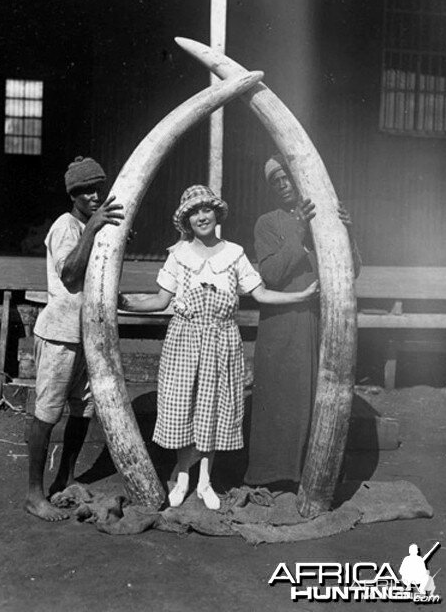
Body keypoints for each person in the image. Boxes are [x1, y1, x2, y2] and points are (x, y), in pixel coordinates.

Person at [119, 185, 318, 511]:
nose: (202, 216)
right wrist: (122, 301)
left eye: (207, 209)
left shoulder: (234, 254)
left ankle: (205, 481)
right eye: (194, 212)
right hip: (184, 340)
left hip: (222, 341)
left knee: (213, 410)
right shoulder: (178, 255)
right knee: (184, 409)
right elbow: (158, 300)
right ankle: (183, 475)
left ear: (216, 213)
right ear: (186, 219)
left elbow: (262, 294)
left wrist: (300, 296)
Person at [244, 153, 361, 489]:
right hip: (284, 322)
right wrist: (297, 229)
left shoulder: (324, 219)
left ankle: (312, 473)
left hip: (320, 321)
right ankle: (271, 474)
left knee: (317, 395)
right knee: (282, 396)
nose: (283, 186)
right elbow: (270, 273)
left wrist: (346, 232)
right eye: (275, 181)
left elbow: (350, 270)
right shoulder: (268, 222)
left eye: (287, 178)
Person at [25, 156, 124, 521]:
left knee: (83, 411)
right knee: (47, 412)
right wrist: (94, 228)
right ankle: (34, 494)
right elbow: (69, 275)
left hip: (88, 336)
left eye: (99, 188)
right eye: (86, 192)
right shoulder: (66, 226)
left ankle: (63, 480)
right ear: (73, 195)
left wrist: (107, 234)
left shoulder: (92, 226)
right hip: (59, 335)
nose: (95, 196)